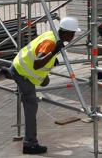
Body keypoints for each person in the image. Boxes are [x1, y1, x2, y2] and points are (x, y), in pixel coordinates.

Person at [8, 16, 79, 155]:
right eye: (73, 33)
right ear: (67, 33)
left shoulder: (52, 34)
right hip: (24, 74)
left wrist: (52, 58)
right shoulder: (51, 42)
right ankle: (30, 144)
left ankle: (10, 73)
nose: (74, 35)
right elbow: (37, 63)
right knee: (31, 106)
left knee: (45, 81)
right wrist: (52, 52)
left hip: (20, 67)